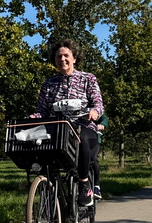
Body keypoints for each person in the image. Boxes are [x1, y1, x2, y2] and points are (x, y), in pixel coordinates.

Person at [31, 39, 104, 207]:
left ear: (74, 58)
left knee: (81, 137)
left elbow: (98, 104)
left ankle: (84, 184)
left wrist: (94, 111)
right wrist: (34, 117)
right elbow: (42, 111)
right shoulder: (49, 84)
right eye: (58, 56)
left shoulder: (88, 79)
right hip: (57, 129)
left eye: (66, 56)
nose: (62, 59)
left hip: (83, 127)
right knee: (37, 142)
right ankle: (49, 189)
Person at [92, 114, 108, 199]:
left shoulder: (92, 107)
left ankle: (96, 186)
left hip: (94, 138)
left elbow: (103, 118)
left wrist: (102, 124)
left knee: (93, 158)